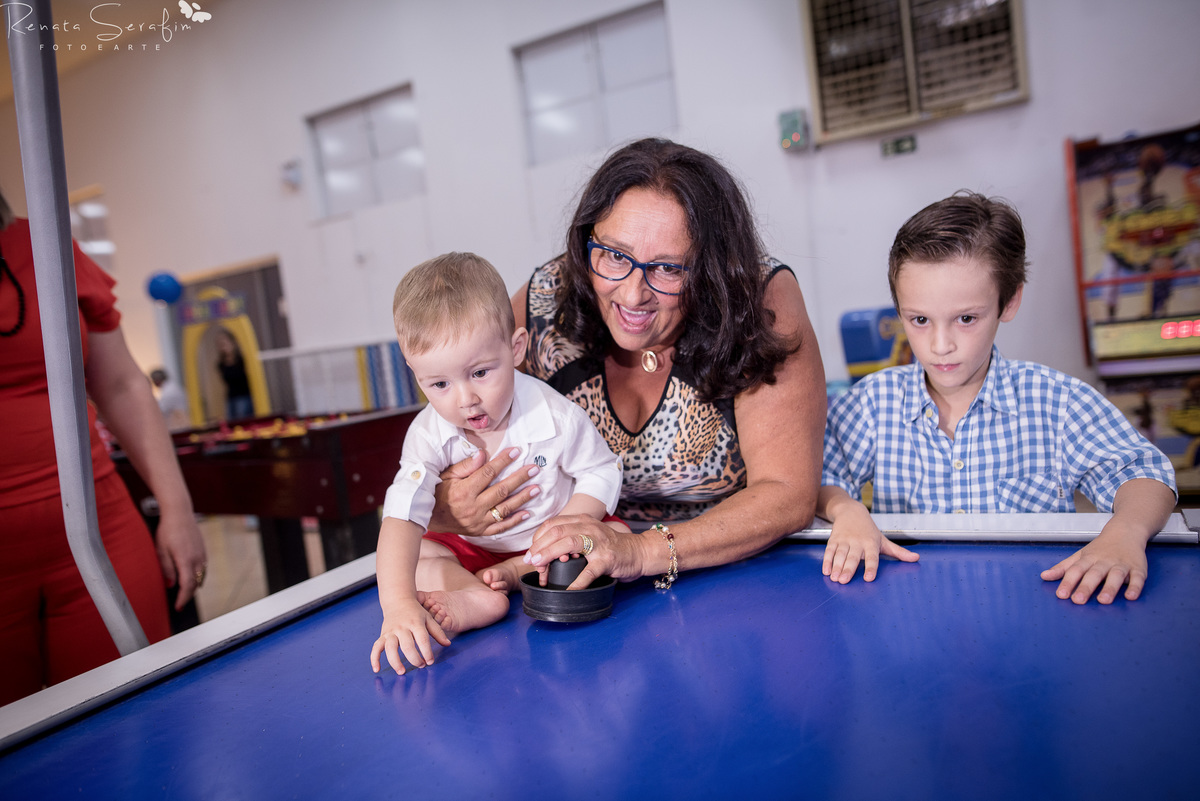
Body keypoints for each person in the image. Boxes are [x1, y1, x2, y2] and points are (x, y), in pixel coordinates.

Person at [424, 138, 826, 592]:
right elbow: (443, 406)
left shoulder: (757, 299)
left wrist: (639, 551)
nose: (633, 295)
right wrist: (445, 505)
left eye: (669, 269)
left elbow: (787, 493)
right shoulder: (545, 300)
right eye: (615, 255)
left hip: (732, 574)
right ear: (586, 243)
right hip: (576, 568)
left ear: (714, 269)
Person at [819, 192, 1177, 604]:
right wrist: (847, 510)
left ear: (1009, 302)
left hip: (1033, 610)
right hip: (912, 617)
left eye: (966, 319)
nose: (940, 345)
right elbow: (821, 476)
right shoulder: (870, 403)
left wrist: (1125, 532)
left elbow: (1146, 474)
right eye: (919, 320)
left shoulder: (1058, 402)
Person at [370, 253, 623, 676]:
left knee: (612, 534)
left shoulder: (554, 415)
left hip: (547, 544)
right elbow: (400, 517)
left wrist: (561, 530)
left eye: (481, 372)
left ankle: (518, 571)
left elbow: (601, 471)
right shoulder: (428, 433)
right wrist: (397, 606)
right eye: (439, 384)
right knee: (420, 554)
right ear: (416, 376)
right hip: (468, 551)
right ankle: (477, 599)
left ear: (516, 348)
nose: (465, 399)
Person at [0, 189, 207, 705]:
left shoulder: (45, 246)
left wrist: (177, 509)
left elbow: (121, 386)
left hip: (95, 527)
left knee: (138, 716)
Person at [215, 328, 253, 420]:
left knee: (242, 418)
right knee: (231, 420)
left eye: (225, 343)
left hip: (244, 395)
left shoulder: (241, 359)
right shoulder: (221, 364)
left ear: (232, 343)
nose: (224, 347)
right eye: (221, 345)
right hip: (231, 396)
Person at [150, 366, 189, 431]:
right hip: (180, 422)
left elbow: (161, 410)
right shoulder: (172, 387)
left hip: (178, 424)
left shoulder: (169, 392)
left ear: (157, 380)